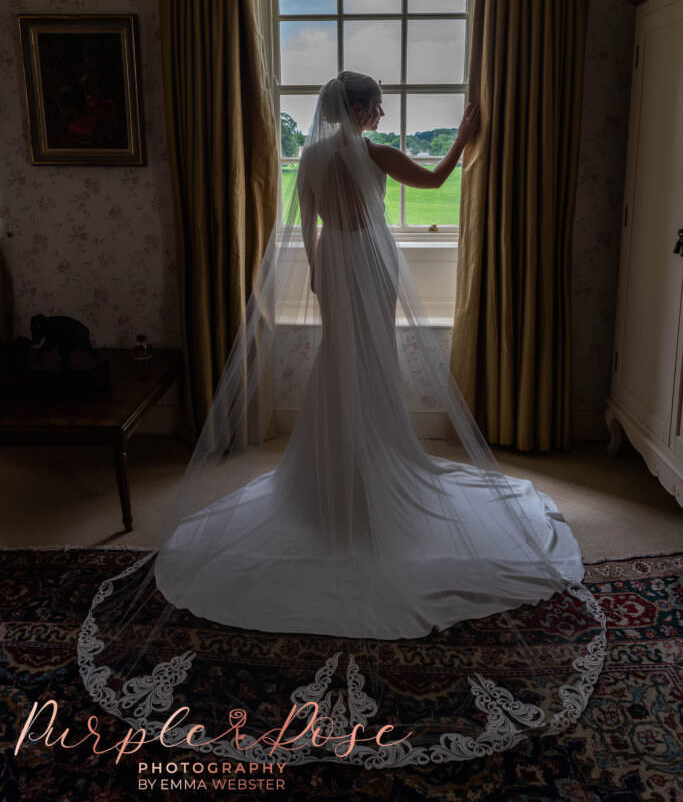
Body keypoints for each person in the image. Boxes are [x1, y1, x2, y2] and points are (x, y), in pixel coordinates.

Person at [78, 71, 605, 769]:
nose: (382, 110)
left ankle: (337, 471)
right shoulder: (372, 151)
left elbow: (315, 229)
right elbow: (433, 177)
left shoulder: (314, 158)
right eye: (376, 103)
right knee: (371, 366)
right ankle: (374, 465)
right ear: (357, 108)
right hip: (370, 262)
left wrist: (324, 278)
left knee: (340, 364)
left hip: (335, 262)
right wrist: (467, 136)